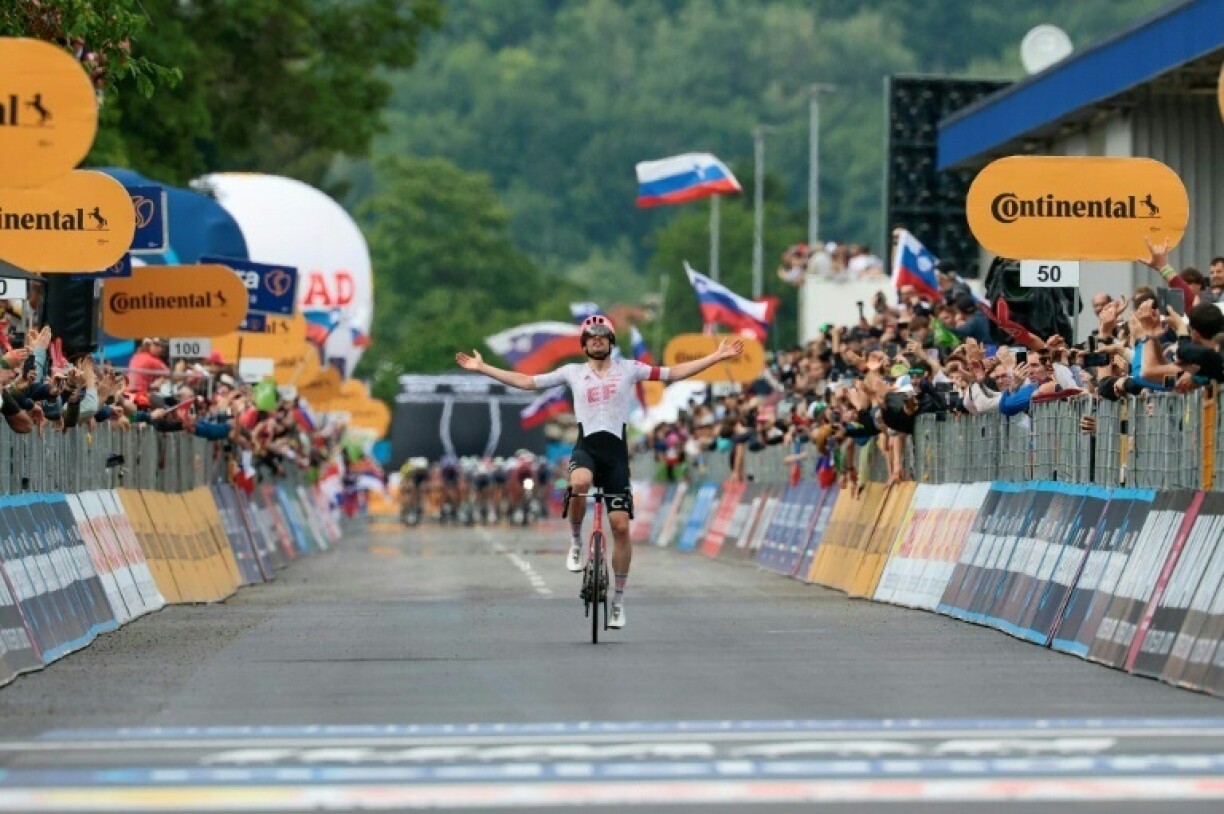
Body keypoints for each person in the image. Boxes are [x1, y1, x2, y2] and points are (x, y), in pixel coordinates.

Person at [456, 314, 744, 629]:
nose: (597, 341)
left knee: (620, 528)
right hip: (587, 449)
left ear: (610, 341)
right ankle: (577, 543)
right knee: (578, 483)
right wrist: (483, 368)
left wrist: (716, 356)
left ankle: (618, 602)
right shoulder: (572, 372)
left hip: (616, 456)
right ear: (584, 344)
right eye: (591, 338)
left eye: (602, 337)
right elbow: (527, 381)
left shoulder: (630, 369)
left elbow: (673, 372)